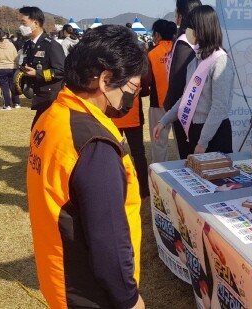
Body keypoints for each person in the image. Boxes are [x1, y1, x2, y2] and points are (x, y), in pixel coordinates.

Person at [26, 24, 147, 308]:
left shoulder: (52, 116)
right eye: (131, 87)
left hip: (60, 275)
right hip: (89, 292)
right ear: (106, 79)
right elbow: (109, 243)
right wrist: (129, 300)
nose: (132, 97)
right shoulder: (93, 146)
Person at [153, 5, 234, 158]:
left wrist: (203, 142)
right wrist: (163, 121)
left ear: (202, 29)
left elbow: (219, 106)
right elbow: (185, 98)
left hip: (214, 134)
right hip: (194, 130)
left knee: (217, 179)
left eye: (191, 27)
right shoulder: (195, 60)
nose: (187, 32)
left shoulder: (220, 61)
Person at [160, 0, 201, 157]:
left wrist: (169, 107)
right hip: (196, 108)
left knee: (188, 157)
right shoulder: (199, 38)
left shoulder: (185, 41)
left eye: (176, 12)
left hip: (186, 111)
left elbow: (178, 80)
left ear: (181, 16)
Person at [18, 6, 65, 128]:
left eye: (23, 23)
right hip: (38, 95)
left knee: (42, 130)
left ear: (35, 23)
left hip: (51, 97)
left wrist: (37, 74)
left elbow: (60, 71)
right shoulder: (28, 45)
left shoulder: (51, 45)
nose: (20, 26)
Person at [111, 73, 151, 199]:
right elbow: (145, 91)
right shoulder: (135, 70)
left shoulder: (108, 69)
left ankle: (118, 189)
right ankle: (144, 189)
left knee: (114, 155)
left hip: (113, 118)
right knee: (138, 153)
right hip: (133, 117)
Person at [147, 19, 175, 162]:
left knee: (159, 142)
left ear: (157, 34)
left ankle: (158, 175)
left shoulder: (151, 53)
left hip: (159, 103)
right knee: (182, 142)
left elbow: (146, 80)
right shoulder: (179, 49)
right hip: (181, 103)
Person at [0, 27, 20, 110]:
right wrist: (17, 65)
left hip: (1, 68)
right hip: (12, 67)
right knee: (13, 85)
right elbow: (16, 55)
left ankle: (7, 105)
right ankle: (16, 103)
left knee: (4, 87)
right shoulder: (10, 44)